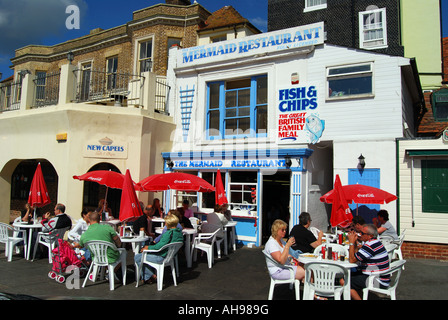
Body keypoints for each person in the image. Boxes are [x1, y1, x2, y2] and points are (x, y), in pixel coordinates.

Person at [134, 214, 184, 284]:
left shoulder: (168, 233)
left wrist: (147, 247)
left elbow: (159, 247)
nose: (165, 224)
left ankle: (150, 276)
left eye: (165, 222)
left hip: (161, 256)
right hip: (170, 257)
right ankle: (148, 277)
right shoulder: (179, 233)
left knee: (137, 257)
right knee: (142, 256)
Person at [346, 224, 390, 300]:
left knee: (344, 281)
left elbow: (352, 260)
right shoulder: (375, 242)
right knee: (351, 275)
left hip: (377, 280)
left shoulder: (370, 246)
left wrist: (351, 243)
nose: (360, 234)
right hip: (381, 277)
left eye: (362, 233)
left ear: (370, 236)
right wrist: (355, 242)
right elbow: (357, 257)